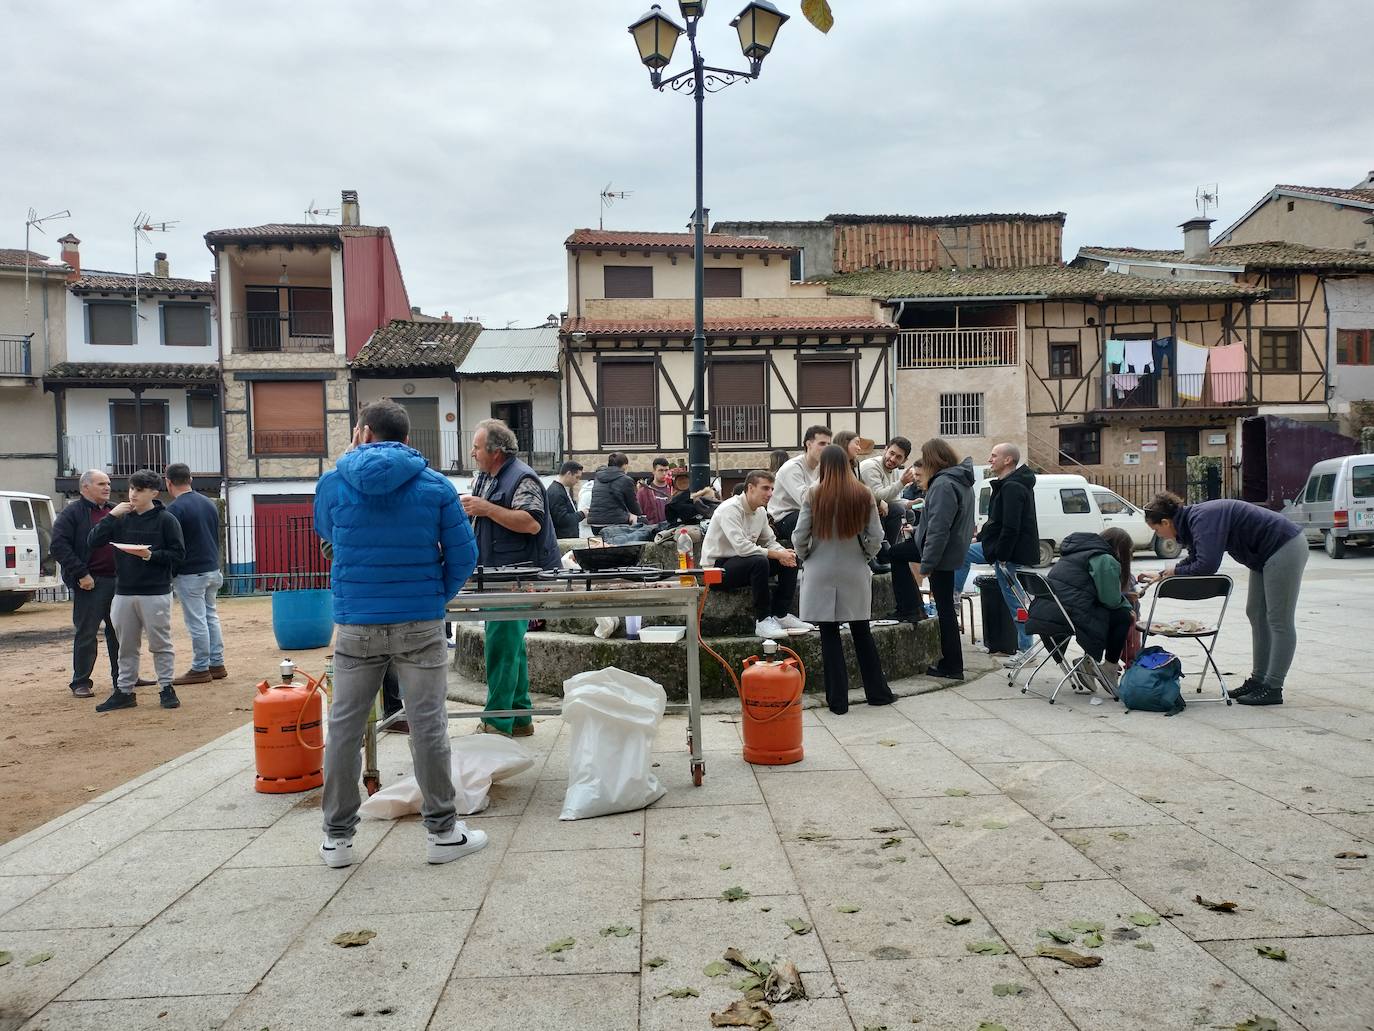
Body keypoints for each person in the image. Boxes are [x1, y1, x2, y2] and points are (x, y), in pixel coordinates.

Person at [314, 399, 483, 868]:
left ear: (363, 432)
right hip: (420, 622)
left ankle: (338, 840)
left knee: (345, 727)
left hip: (355, 622)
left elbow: (329, 535)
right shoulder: (434, 485)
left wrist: (344, 463)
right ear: (408, 438)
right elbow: (464, 554)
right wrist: (434, 597)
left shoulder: (334, 480)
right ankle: (442, 833)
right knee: (428, 726)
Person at [1140, 492, 1306, 706]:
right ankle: (1257, 680)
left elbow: (1207, 565)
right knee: (1255, 613)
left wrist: (1175, 572)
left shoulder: (1202, 518)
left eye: (1156, 530)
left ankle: (1273, 686)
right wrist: (1165, 574)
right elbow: (1196, 557)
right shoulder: (1193, 521)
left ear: (1165, 521)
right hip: (1263, 554)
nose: (1160, 535)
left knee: (1278, 619)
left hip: (1284, 545)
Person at [462, 418, 561, 735]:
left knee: (501, 646)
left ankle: (496, 722)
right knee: (509, 645)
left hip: (519, 576)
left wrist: (486, 508)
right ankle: (520, 717)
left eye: (477, 447)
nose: (473, 453)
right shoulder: (487, 478)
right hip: (499, 575)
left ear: (496, 451)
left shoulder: (522, 478)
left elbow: (531, 523)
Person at [793, 444, 895, 713]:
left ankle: (837, 701)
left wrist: (806, 556)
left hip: (820, 567)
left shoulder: (814, 493)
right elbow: (876, 535)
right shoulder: (863, 493)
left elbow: (800, 535)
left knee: (829, 635)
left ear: (824, 466)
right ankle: (878, 693)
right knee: (862, 632)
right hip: (854, 567)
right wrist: (865, 555)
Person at [89, 469, 186, 712]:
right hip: (123, 591)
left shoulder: (166, 520)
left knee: (160, 643)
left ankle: (166, 687)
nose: (133, 494)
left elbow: (178, 555)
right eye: (131, 488)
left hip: (155, 592)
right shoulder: (121, 517)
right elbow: (93, 541)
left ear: (154, 492)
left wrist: (150, 555)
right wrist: (111, 516)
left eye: (139, 490)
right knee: (126, 645)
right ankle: (124, 691)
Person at [890, 440, 975, 680]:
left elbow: (939, 528)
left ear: (933, 460)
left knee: (945, 608)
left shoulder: (944, 484)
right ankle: (912, 609)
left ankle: (951, 665)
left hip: (940, 554)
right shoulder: (960, 480)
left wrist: (927, 564)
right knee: (945, 606)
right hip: (949, 551)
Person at [954, 443, 1039, 662]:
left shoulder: (1013, 487)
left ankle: (1026, 650)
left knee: (1014, 599)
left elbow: (1011, 527)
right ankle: (954, 597)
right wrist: (980, 538)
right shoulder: (1006, 485)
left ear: (1008, 460)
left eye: (994, 456)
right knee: (962, 552)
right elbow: (996, 523)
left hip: (1009, 553)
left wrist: (1001, 556)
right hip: (999, 547)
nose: (990, 459)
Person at [700, 469, 811, 639]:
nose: (770, 493)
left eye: (772, 489)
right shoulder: (729, 509)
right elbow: (742, 547)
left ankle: (780, 615)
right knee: (760, 561)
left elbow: (770, 541)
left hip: (741, 564)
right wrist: (775, 554)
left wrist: (783, 553)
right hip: (716, 571)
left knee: (790, 558)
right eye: (765, 488)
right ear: (750, 488)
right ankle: (763, 620)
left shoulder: (760, 512)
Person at [1024, 528, 1137, 691]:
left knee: (1104, 613)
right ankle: (1108, 668)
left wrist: (1123, 598)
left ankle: (1089, 662)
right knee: (1123, 617)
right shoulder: (1104, 558)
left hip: (1046, 612)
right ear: (1120, 549)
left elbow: (1083, 592)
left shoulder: (1075, 552)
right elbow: (1110, 600)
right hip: (1066, 616)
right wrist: (1127, 605)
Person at [51, 469, 128, 699]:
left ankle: (123, 678)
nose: (107, 487)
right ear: (85, 487)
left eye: (108, 483)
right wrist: (81, 573)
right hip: (90, 583)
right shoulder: (72, 513)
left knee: (120, 633)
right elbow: (58, 546)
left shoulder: (114, 510)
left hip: (118, 581)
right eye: (101, 483)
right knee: (86, 633)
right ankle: (81, 682)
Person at [163, 463, 227, 685]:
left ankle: (200, 667)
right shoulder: (208, 503)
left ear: (168, 482)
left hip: (190, 572)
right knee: (211, 616)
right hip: (212, 568)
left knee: (197, 621)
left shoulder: (174, 509)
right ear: (190, 479)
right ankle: (216, 664)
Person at [768, 425, 831, 544]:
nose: (826, 448)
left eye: (828, 444)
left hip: (807, 513)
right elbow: (805, 500)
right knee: (815, 520)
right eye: (822, 444)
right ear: (809, 444)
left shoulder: (821, 467)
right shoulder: (792, 468)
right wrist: (826, 475)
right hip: (784, 518)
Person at [588, 452, 645, 541]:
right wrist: (640, 515)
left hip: (595, 524)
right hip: (614, 523)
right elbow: (633, 506)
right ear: (625, 465)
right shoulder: (626, 480)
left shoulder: (598, 478)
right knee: (642, 526)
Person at [548, 461, 585, 539]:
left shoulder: (560, 489)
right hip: (562, 539)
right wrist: (582, 514)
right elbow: (562, 519)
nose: (577, 481)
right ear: (568, 474)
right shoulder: (556, 492)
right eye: (577, 477)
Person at [636, 457, 673, 525]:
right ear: (654, 471)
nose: (664, 473)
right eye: (661, 470)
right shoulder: (643, 492)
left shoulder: (673, 490)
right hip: (651, 531)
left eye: (666, 470)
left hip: (671, 530)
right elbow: (638, 515)